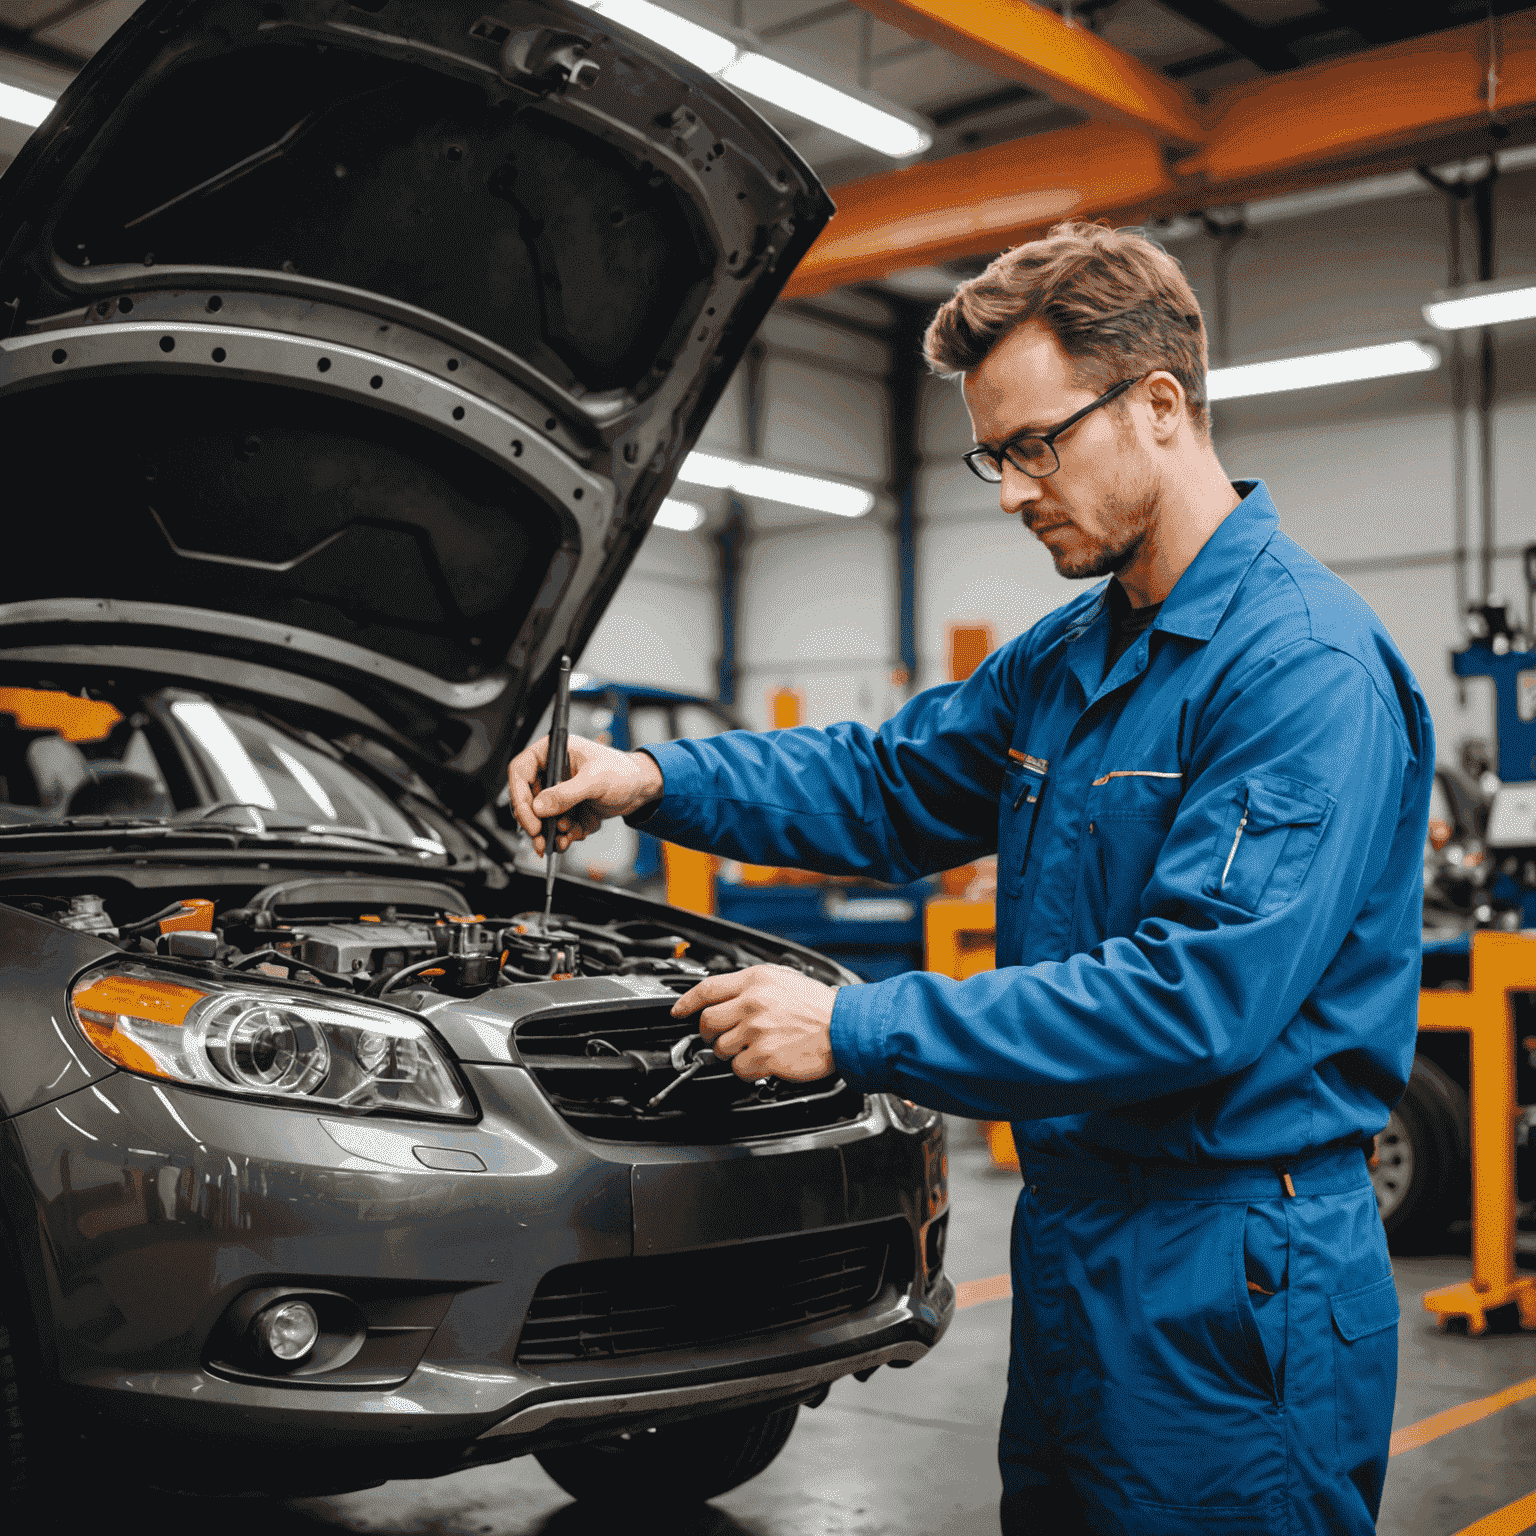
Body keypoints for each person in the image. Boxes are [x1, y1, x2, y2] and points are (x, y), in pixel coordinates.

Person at [508, 221, 1433, 1536]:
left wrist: (849, 1028)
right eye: (991, 455)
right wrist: (652, 779)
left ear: (1159, 405)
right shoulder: (1065, 662)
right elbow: (885, 781)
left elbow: (1190, 998)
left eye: (1034, 445)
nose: (1009, 491)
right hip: (1079, 1241)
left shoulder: (1300, 667)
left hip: (1234, 1270)